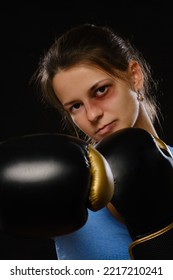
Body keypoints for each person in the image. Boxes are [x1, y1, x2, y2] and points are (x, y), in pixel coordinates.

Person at [33, 23, 173, 260]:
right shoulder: (65, 185)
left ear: (134, 76)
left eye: (100, 91)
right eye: (75, 106)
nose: (92, 115)